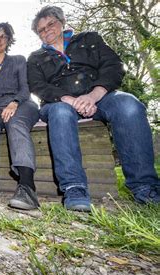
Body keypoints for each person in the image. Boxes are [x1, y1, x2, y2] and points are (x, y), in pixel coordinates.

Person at [27, 6, 159, 211]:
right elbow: (38, 86)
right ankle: (74, 188)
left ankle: (145, 186)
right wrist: (69, 100)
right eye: (41, 30)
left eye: (50, 24)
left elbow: (113, 65)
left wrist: (93, 95)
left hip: (98, 96)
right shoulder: (35, 58)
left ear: (62, 22)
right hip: (59, 102)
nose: (46, 31)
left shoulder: (89, 39)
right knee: (60, 112)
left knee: (128, 105)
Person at [0, 22, 40, 210]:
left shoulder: (19, 60)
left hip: (21, 102)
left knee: (15, 122)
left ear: (8, 41)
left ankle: (27, 186)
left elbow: (25, 89)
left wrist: (14, 103)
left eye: (3, 36)